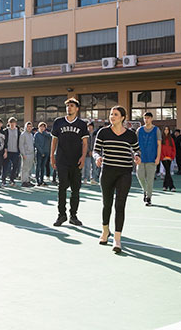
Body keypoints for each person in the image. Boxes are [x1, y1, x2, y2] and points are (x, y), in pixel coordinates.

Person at [92, 106, 141, 254]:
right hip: (107, 172)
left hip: (124, 173)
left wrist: (137, 156)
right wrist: (97, 157)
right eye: (111, 114)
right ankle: (105, 231)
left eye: (115, 114)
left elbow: (137, 149)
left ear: (122, 118)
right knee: (107, 204)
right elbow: (95, 150)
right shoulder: (103, 132)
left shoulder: (131, 135)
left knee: (120, 205)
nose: (112, 117)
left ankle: (117, 238)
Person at [50, 98, 89, 227]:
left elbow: (85, 143)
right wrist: (52, 156)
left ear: (77, 108)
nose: (69, 108)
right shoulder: (58, 122)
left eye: (71, 106)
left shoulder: (82, 124)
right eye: (67, 106)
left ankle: (73, 215)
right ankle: (61, 215)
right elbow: (54, 141)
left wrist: (83, 157)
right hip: (62, 160)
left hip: (76, 161)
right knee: (62, 187)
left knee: (75, 189)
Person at [136, 112, 161, 206]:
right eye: (145, 118)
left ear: (151, 119)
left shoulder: (156, 130)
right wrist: (136, 155)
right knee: (140, 176)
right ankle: (145, 191)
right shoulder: (139, 130)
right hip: (141, 158)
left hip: (152, 158)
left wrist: (158, 157)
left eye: (148, 118)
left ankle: (149, 197)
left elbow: (159, 145)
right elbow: (135, 144)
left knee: (150, 179)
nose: (146, 120)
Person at [3, 118, 21, 186]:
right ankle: (3, 180)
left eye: (13, 123)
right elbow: (4, 142)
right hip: (7, 151)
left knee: (15, 167)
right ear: (8, 123)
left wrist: (20, 151)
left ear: (15, 123)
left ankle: (12, 179)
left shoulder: (18, 132)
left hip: (16, 152)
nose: (12, 124)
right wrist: (5, 151)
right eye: (11, 123)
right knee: (5, 166)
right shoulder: (5, 131)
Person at [33, 122, 51, 186]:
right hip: (39, 153)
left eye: (43, 127)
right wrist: (41, 152)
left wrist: (45, 133)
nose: (42, 128)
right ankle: (37, 180)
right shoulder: (36, 134)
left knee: (43, 167)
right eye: (41, 126)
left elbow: (51, 137)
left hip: (46, 153)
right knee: (38, 167)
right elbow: (36, 144)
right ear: (39, 127)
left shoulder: (46, 134)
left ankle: (42, 180)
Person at [160, 126, 176, 192]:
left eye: (167, 129)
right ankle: (172, 186)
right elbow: (159, 149)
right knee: (168, 171)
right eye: (165, 129)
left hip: (169, 158)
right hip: (163, 158)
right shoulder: (160, 139)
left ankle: (165, 186)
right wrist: (162, 156)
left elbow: (173, 149)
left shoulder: (171, 139)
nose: (166, 131)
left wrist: (172, 157)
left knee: (167, 171)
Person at [19, 122, 35, 187]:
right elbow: (21, 145)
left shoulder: (31, 135)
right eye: (28, 126)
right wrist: (23, 154)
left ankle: (28, 180)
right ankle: (24, 181)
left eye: (30, 126)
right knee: (24, 168)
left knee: (29, 168)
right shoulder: (23, 134)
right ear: (26, 127)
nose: (29, 128)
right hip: (26, 154)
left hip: (31, 154)